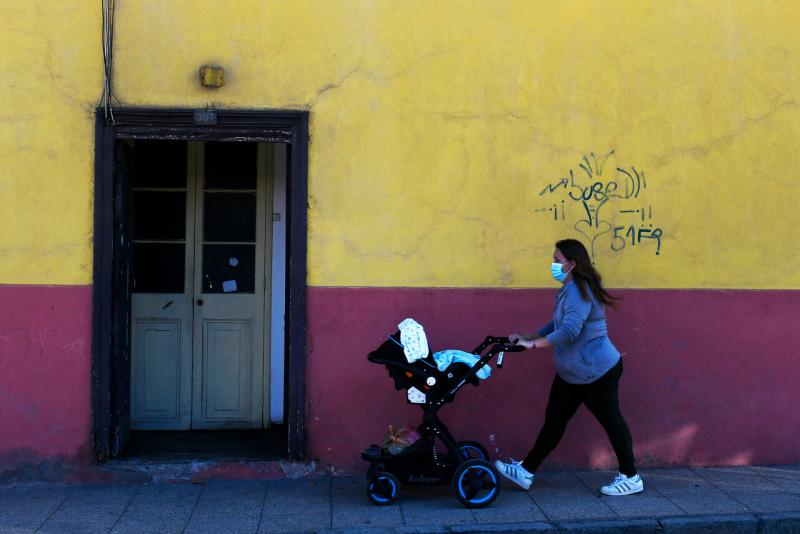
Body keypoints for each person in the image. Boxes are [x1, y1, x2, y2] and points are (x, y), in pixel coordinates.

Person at [494, 238, 643, 496]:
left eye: (557, 260)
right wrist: (527, 337)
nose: (553, 264)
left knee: (611, 421)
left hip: (597, 371)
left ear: (572, 264)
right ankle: (526, 471)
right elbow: (556, 325)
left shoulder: (578, 290)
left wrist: (533, 345)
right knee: (554, 421)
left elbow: (569, 332)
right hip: (573, 372)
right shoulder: (569, 288)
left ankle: (631, 477)